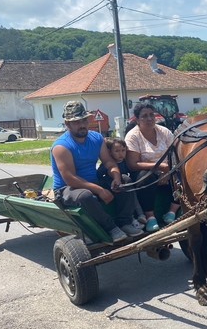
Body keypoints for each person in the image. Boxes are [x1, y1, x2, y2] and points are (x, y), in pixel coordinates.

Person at [51, 100, 143, 242]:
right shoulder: (61, 146)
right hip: (67, 188)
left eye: (84, 120)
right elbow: (70, 178)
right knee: (85, 196)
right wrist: (99, 190)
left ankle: (124, 222)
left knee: (125, 180)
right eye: (76, 122)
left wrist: (116, 178)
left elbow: (108, 162)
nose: (82, 125)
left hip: (92, 182)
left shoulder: (96, 138)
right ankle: (111, 228)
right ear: (67, 124)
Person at [125, 102, 181, 232]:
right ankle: (150, 217)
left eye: (151, 115)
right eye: (144, 116)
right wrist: (159, 167)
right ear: (137, 120)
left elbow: (175, 154)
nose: (149, 118)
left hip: (168, 170)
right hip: (145, 173)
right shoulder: (133, 136)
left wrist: (166, 172)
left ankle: (172, 212)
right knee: (145, 177)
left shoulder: (164, 132)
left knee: (184, 172)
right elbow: (133, 165)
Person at [97, 137, 147, 228]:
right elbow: (99, 175)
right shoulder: (108, 163)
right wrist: (106, 167)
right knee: (129, 194)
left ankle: (141, 215)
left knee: (133, 194)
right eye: (117, 151)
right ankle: (132, 218)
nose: (121, 154)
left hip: (127, 185)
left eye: (123, 150)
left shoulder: (125, 162)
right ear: (109, 152)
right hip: (116, 187)